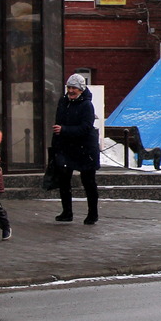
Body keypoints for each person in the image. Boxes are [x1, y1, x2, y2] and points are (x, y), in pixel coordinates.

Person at [53, 73, 100, 224]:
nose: (71, 91)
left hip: (85, 148)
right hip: (67, 147)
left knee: (88, 181)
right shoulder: (63, 101)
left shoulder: (87, 105)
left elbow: (86, 127)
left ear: (81, 89)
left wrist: (64, 130)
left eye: (74, 88)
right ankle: (67, 212)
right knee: (64, 180)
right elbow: (58, 124)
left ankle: (93, 214)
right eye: (69, 87)